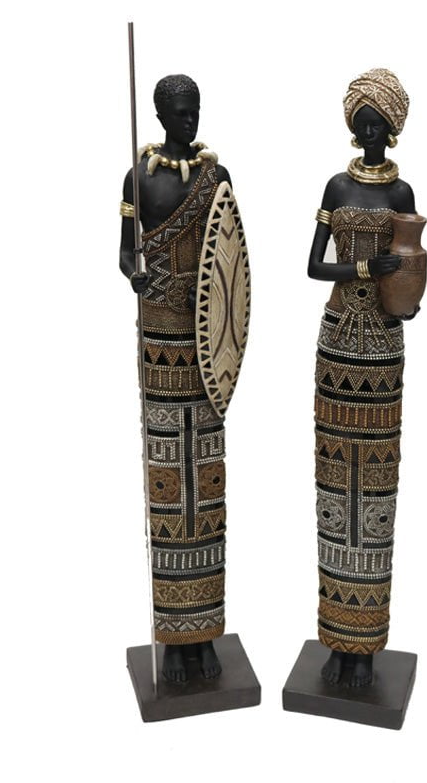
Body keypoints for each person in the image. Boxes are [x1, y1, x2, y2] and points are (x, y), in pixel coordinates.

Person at [307, 68, 418, 687]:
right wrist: (363, 268)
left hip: (381, 345)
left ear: (392, 129)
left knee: (374, 485)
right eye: (363, 124)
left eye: (379, 125)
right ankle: (335, 637)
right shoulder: (336, 185)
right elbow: (313, 266)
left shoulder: (400, 193)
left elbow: (409, 269)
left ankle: (366, 642)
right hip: (337, 341)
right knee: (333, 483)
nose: (370, 133)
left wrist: (406, 295)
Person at [119, 74, 232, 683]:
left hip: (206, 341)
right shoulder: (139, 178)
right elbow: (125, 252)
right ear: (162, 115)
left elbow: (230, 260)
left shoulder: (216, 178)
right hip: (160, 339)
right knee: (168, 478)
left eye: (196, 112)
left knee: (205, 478)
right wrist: (135, 275)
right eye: (181, 113)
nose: (190, 122)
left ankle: (206, 633)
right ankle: (174, 634)